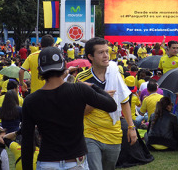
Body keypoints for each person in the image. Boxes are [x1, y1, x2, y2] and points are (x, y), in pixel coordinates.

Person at [21, 46, 117, 170]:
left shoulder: (30, 101)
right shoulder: (79, 89)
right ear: (64, 66)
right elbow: (111, 105)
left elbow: (27, 142)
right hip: (76, 162)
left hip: (47, 162)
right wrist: (93, 86)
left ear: (39, 69)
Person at [76, 37, 137, 170]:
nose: (106, 56)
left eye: (107, 52)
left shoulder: (115, 73)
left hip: (113, 133)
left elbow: (124, 101)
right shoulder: (81, 79)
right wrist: (98, 100)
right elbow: (79, 112)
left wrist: (131, 128)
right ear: (90, 56)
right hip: (90, 134)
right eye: (101, 52)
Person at [158, 40, 178, 126]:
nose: (176, 50)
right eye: (173, 48)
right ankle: (166, 125)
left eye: (177, 48)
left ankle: (177, 127)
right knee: (165, 106)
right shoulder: (163, 58)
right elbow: (160, 70)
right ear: (168, 48)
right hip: (165, 87)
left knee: (176, 108)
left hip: (175, 88)